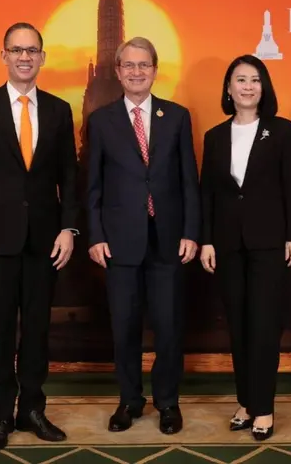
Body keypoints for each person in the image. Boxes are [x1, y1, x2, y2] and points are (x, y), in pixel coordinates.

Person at [0, 22, 78, 451]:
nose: (25, 57)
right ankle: (1, 414)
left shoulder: (59, 110)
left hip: (45, 241)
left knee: (38, 330)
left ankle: (33, 410)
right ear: (3, 55)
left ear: (42, 57)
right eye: (17, 50)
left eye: (32, 50)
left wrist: (68, 228)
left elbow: (69, 177)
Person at [86, 37, 200, 435]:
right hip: (119, 242)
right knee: (125, 328)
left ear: (154, 70)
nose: (137, 72)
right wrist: (95, 235)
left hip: (169, 240)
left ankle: (167, 402)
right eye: (129, 65)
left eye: (144, 65)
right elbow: (93, 185)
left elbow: (189, 180)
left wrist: (191, 231)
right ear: (118, 72)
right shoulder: (101, 121)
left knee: (168, 328)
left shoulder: (178, 117)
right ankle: (129, 401)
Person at [198, 54, 291, 441]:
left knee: (263, 326)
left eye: (255, 80)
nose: (247, 86)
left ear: (264, 88)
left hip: (270, 244)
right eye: (240, 79)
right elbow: (207, 194)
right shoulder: (214, 136)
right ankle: (245, 402)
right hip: (227, 245)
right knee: (239, 327)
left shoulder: (282, 130)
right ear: (228, 88)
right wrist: (207, 239)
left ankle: (264, 407)